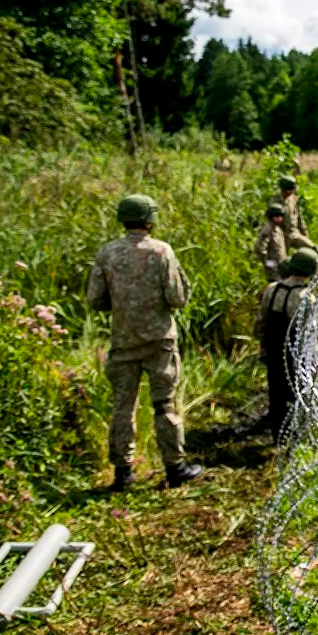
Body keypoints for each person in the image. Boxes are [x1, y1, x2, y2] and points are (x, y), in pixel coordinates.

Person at [86, 194, 204, 492]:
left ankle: (123, 473)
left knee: (122, 406)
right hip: (159, 341)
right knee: (164, 404)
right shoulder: (162, 252)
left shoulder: (107, 253)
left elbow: (95, 299)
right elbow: (177, 298)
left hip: (124, 341)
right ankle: (175, 467)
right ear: (150, 220)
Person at [255, 247, 318, 444]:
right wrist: (314, 361)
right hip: (295, 357)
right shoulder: (306, 297)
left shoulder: (272, 290)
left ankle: (278, 438)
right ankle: (297, 439)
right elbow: (310, 335)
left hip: (274, 353)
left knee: (276, 397)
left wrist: (262, 345)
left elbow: (261, 322)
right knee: (298, 397)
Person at [269, 175, 318, 253]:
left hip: (294, 233)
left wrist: (304, 233)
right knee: (279, 260)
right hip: (281, 235)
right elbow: (270, 220)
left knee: (313, 250)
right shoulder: (275, 202)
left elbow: (299, 218)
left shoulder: (294, 199)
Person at [254, 201, 288, 279]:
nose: (280, 218)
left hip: (281, 267)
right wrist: (269, 264)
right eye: (277, 216)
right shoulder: (267, 230)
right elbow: (260, 249)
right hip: (273, 269)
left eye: (281, 216)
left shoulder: (278, 229)